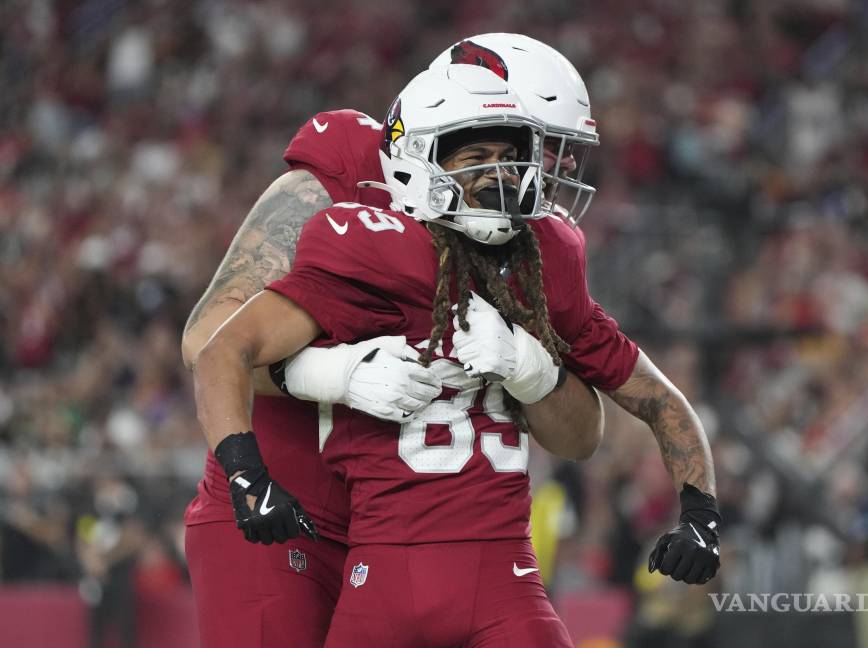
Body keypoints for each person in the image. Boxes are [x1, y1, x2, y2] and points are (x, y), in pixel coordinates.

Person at [194, 65, 584, 646]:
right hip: (283, 499)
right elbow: (208, 338)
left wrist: (532, 369)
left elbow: (584, 430)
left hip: (394, 536)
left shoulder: (527, 247)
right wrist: (332, 373)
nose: (559, 168)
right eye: (545, 144)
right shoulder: (353, 165)